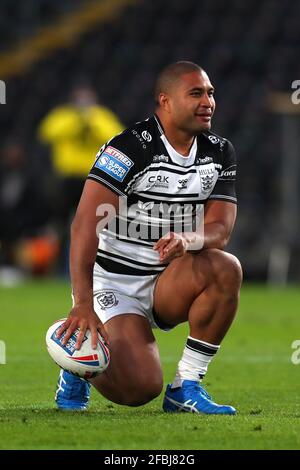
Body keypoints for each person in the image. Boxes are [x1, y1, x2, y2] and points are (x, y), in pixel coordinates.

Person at [55, 61, 242, 414]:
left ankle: (186, 387)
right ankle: (76, 361)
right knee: (140, 389)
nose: (208, 102)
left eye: (211, 93)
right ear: (165, 101)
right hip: (115, 284)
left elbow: (221, 229)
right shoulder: (130, 148)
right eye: (196, 93)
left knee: (225, 267)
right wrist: (82, 303)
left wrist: (188, 241)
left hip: (166, 280)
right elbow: (84, 225)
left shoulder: (218, 151)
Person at [38, 82, 124, 272]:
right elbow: (47, 132)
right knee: (61, 225)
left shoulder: (101, 116)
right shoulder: (63, 115)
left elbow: (116, 137)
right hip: (67, 179)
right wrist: (77, 120)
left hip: (93, 178)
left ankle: (94, 267)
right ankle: (59, 268)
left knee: (93, 224)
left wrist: (90, 119)